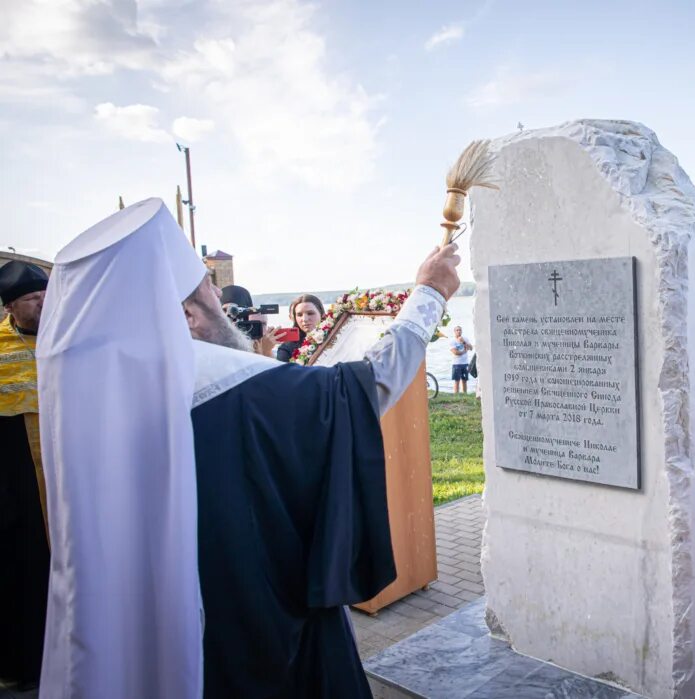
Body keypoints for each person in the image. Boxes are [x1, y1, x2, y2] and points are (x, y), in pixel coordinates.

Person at [37, 198, 459, 698]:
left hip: (139, 636)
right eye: (208, 291)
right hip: (258, 634)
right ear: (187, 314)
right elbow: (365, 390)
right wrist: (430, 292)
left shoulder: (91, 406)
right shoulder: (241, 391)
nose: (221, 301)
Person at [0, 261, 49, 691]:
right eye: (34, 299)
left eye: (47, 295)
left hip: (65, 473)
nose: (44, 304)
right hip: (16, 482)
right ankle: (25, 662)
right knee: (22, 567)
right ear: (12, 306)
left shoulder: (67, 339)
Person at [220, 284, 279, 357]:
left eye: (235, 311)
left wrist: (265, 352)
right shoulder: (212, 339)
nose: (229, 315)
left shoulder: (255, 341)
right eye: (224, 310)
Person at [277, 293, 325, 362]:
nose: (305, 319)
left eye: (310, 313)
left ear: (322, 315)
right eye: (299, 315)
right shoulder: (286, 349)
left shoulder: (336, 335)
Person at [449, 325, 473, 394]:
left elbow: (471, 348)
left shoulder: (465, 339)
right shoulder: (452, 341)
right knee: (457, 381)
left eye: (460, 330)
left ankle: (465, 394)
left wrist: (463, 342)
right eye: (457, 330)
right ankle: (456, 395)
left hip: (465, 363)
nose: (459, 331)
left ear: (461, 331)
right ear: (454, 332)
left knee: (464, 380)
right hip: (456, 364)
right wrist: (464, 351)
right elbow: (455, 352)